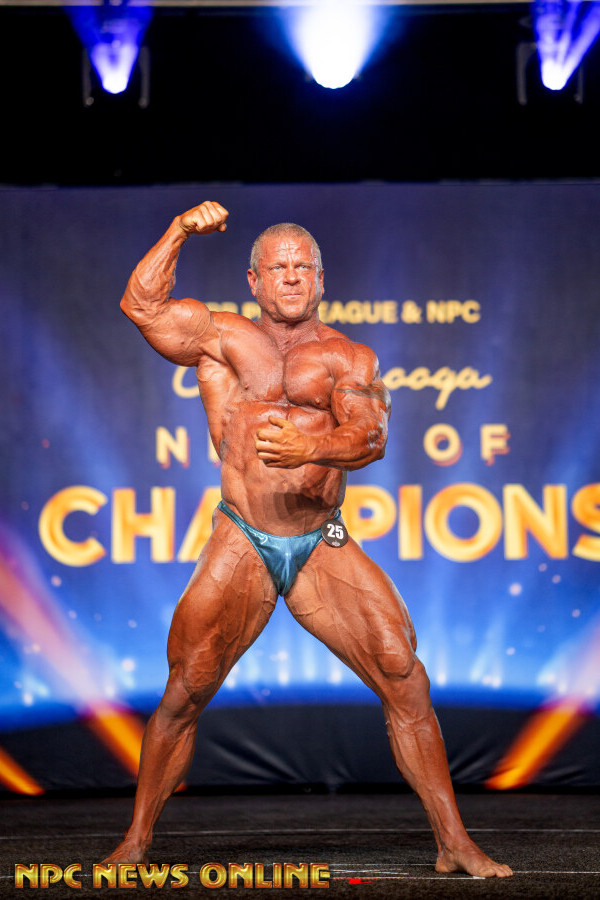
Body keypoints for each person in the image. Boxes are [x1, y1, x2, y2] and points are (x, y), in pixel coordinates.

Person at [104, 201, 512, 877]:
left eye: (303, 268)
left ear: (321, 279)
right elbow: (140, 306)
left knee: (403, 674)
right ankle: (137, 840)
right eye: (278, 268)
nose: (291, 277)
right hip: (243, 537)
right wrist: (179, 231)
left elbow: (371, 438)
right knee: (185, 689)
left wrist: (310, 447)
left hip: (320, 538)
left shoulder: (347, 356)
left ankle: (454, 843)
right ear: (255, 279)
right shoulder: (220, 338)